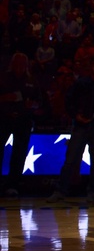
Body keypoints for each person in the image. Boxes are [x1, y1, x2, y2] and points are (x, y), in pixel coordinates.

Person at [48, 56, 94, 204]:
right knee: (70, 160)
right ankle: (60, 191)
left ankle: (93, 192)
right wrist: (76, 116)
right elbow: (69, 101)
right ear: (91, 66)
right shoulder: (81, 83)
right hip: (80, 126)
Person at [0, 53, 40, 197]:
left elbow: (40, 101)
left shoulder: (32, 80)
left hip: (23, 121)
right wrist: (5, 98)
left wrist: (33, 105)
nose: (20, 67)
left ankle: (13, 185)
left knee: (19, 153)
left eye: (23, 64)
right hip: (4, 119)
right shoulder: (3, 78)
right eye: (17, 63)